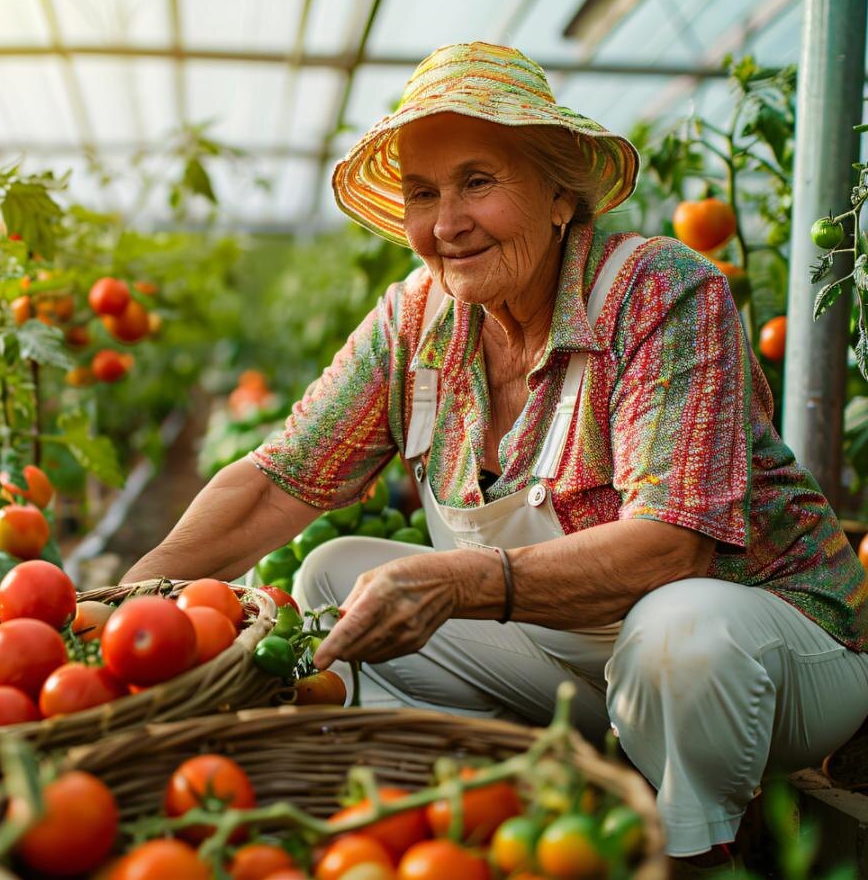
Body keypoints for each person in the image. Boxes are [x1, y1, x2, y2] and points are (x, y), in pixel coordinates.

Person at [122, 42, 868, 861]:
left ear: (558, 194)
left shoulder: (656, 290)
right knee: (332, 579)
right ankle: (515, 804)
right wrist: (127, 598)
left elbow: (674, 545)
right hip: (579, 656)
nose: (447, 223)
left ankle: (699, 847)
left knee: (679, 634)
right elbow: (278, 480)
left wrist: (468, 579)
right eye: (422, 193)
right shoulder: (415, 322)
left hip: (766, 652)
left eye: (478, 181)